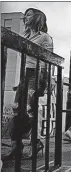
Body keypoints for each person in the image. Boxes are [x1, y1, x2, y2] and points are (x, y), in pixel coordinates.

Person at [5, 8, 53, 160]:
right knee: (17, 110)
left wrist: (46, 81)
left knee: (31, 111)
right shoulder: (24, 35)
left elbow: (49, 60)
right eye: (25, 15)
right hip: (24, 75)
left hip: (36, 75)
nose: (25, 17)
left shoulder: (45, 37)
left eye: (29, 15)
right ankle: (16, 147)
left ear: (38, 18)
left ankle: (36, 143)